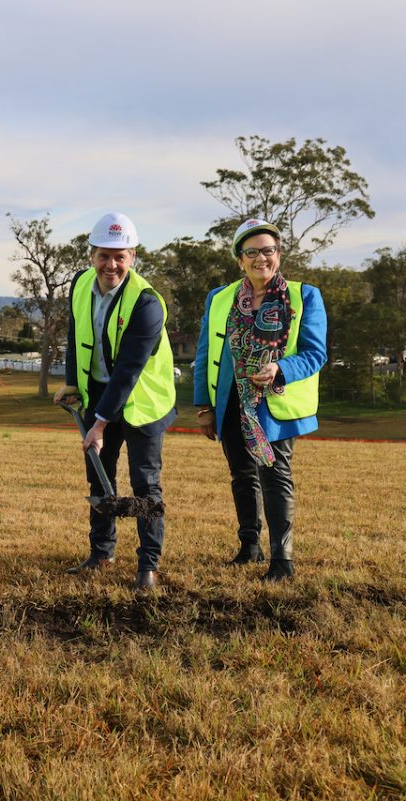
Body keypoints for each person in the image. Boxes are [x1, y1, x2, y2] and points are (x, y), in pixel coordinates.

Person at [194, 219, 327, 581]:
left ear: (278, 254)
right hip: (231, 401)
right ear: (240, 260)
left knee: (275, 475)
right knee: (241, 474)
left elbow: (316, 354)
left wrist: (279, 368)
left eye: (268, 250)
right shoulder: (219, 298)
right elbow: (205, 353)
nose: (260, 258)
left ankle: (281, 561)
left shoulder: (304, 296)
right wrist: (204, 407)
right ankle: (249, 547)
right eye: (251, 252)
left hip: (274, 403)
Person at [54, 213, 176, 591]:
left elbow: (129, 370)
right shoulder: (79, 285)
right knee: (99, 478)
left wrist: (100, 423)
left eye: (120, 257)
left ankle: (148, 566)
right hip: (98, 396)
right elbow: (77, 334)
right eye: (104, 256)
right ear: (91, 255)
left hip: (143, 403)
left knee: (145, 485)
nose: (111, 265)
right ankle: (102, 552)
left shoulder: (147, 303)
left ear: (133, 257)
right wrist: (74, 383)